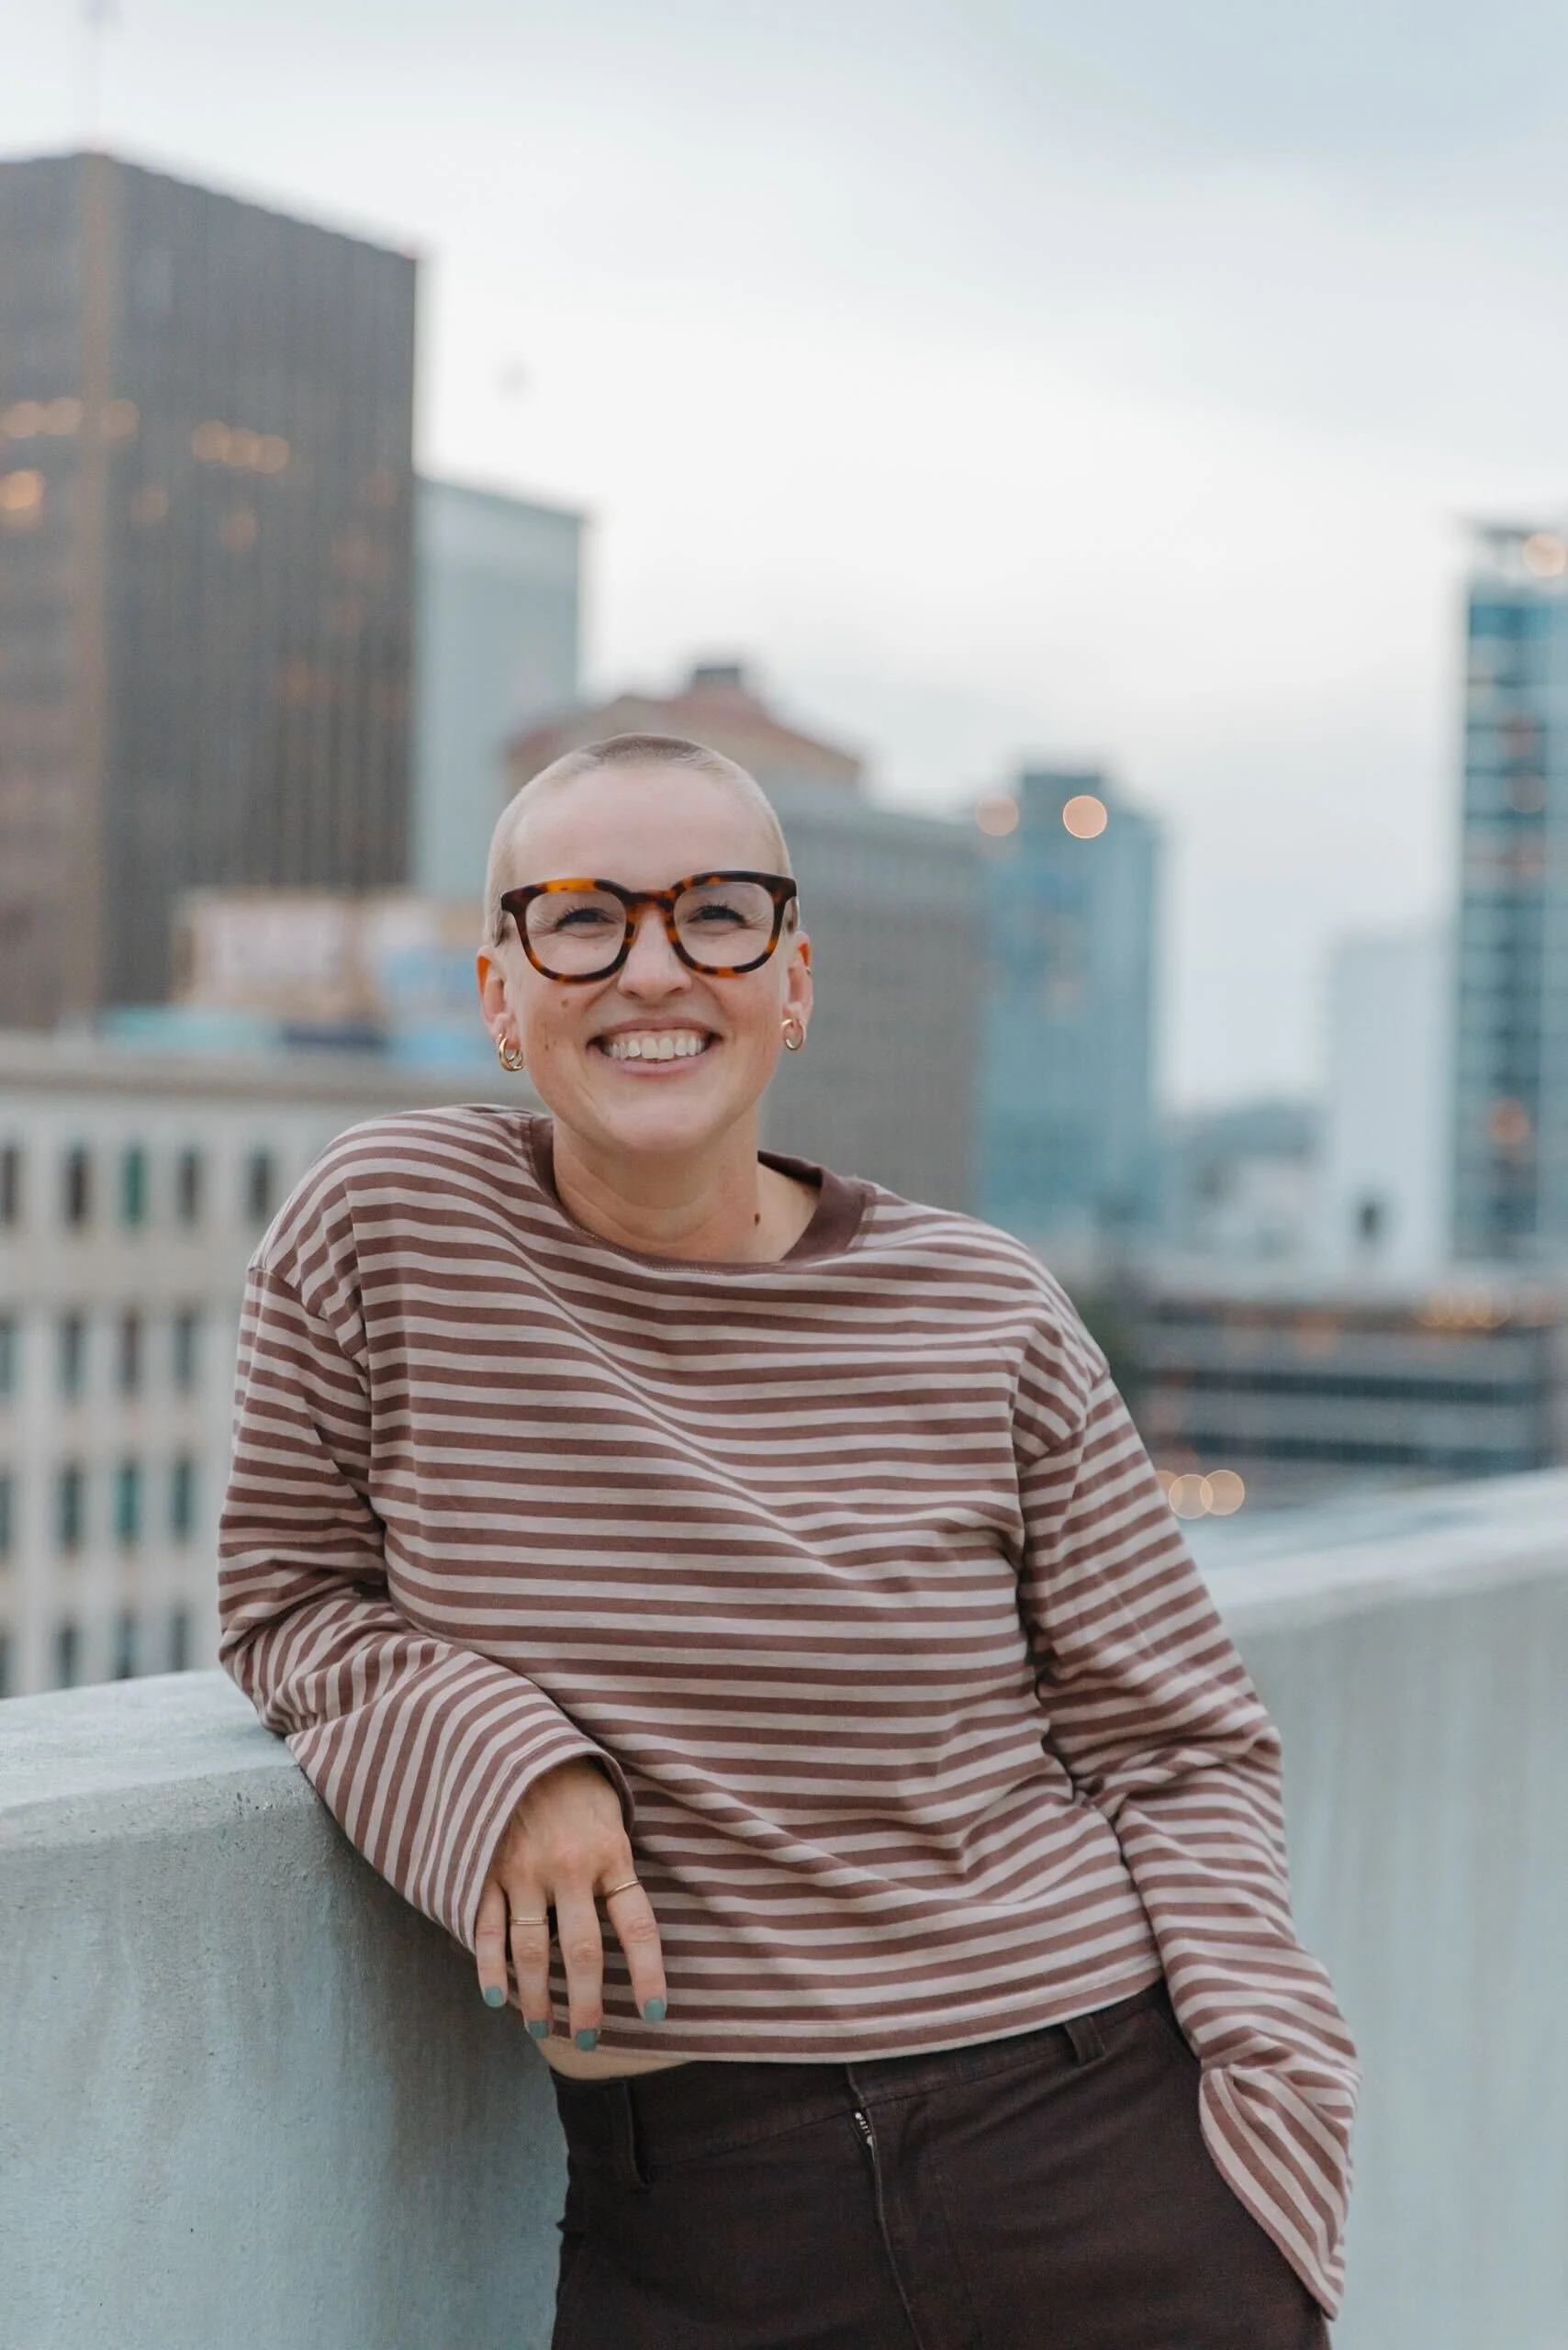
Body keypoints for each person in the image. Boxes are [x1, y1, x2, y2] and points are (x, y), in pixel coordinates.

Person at [219, 733, 1357, 2349]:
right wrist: (503, 1765)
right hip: (701, 2210)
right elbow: (289, 1607)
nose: (654, 966)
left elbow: (1180, 1750)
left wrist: (1272, 2119)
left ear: (794, 979)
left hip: (1099, 2149)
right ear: (499, 992)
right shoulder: (386, 1227)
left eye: (719, 913)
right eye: (582, 917)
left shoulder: (986, 1311)